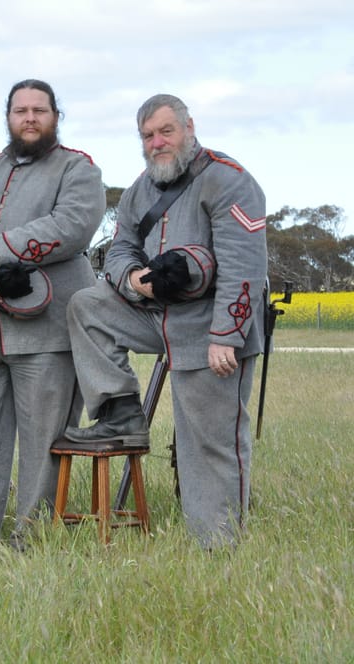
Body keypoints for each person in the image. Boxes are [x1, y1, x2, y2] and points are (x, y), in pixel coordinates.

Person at [64, 93, 267, 550]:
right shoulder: (140, 189)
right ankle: (120, 413)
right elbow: (120, 248)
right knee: (87, 305)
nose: (157, 143)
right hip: (155, 312)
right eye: (147, 136)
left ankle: (217, 547)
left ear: (189, 127)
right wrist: (133, 280)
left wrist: (225, 337)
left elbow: (243, 268)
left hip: (208, 327)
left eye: (165, 131)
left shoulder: (229, 180)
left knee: (209, 442)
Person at [0, 79, 105, 547]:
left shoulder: (78, 169)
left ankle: (33, 541)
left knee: (44, 442)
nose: (29, 118)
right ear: (8, 116)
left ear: (56, 116)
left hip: (48, 330)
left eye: (39, 110)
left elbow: (72, 225)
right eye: (20, 110)